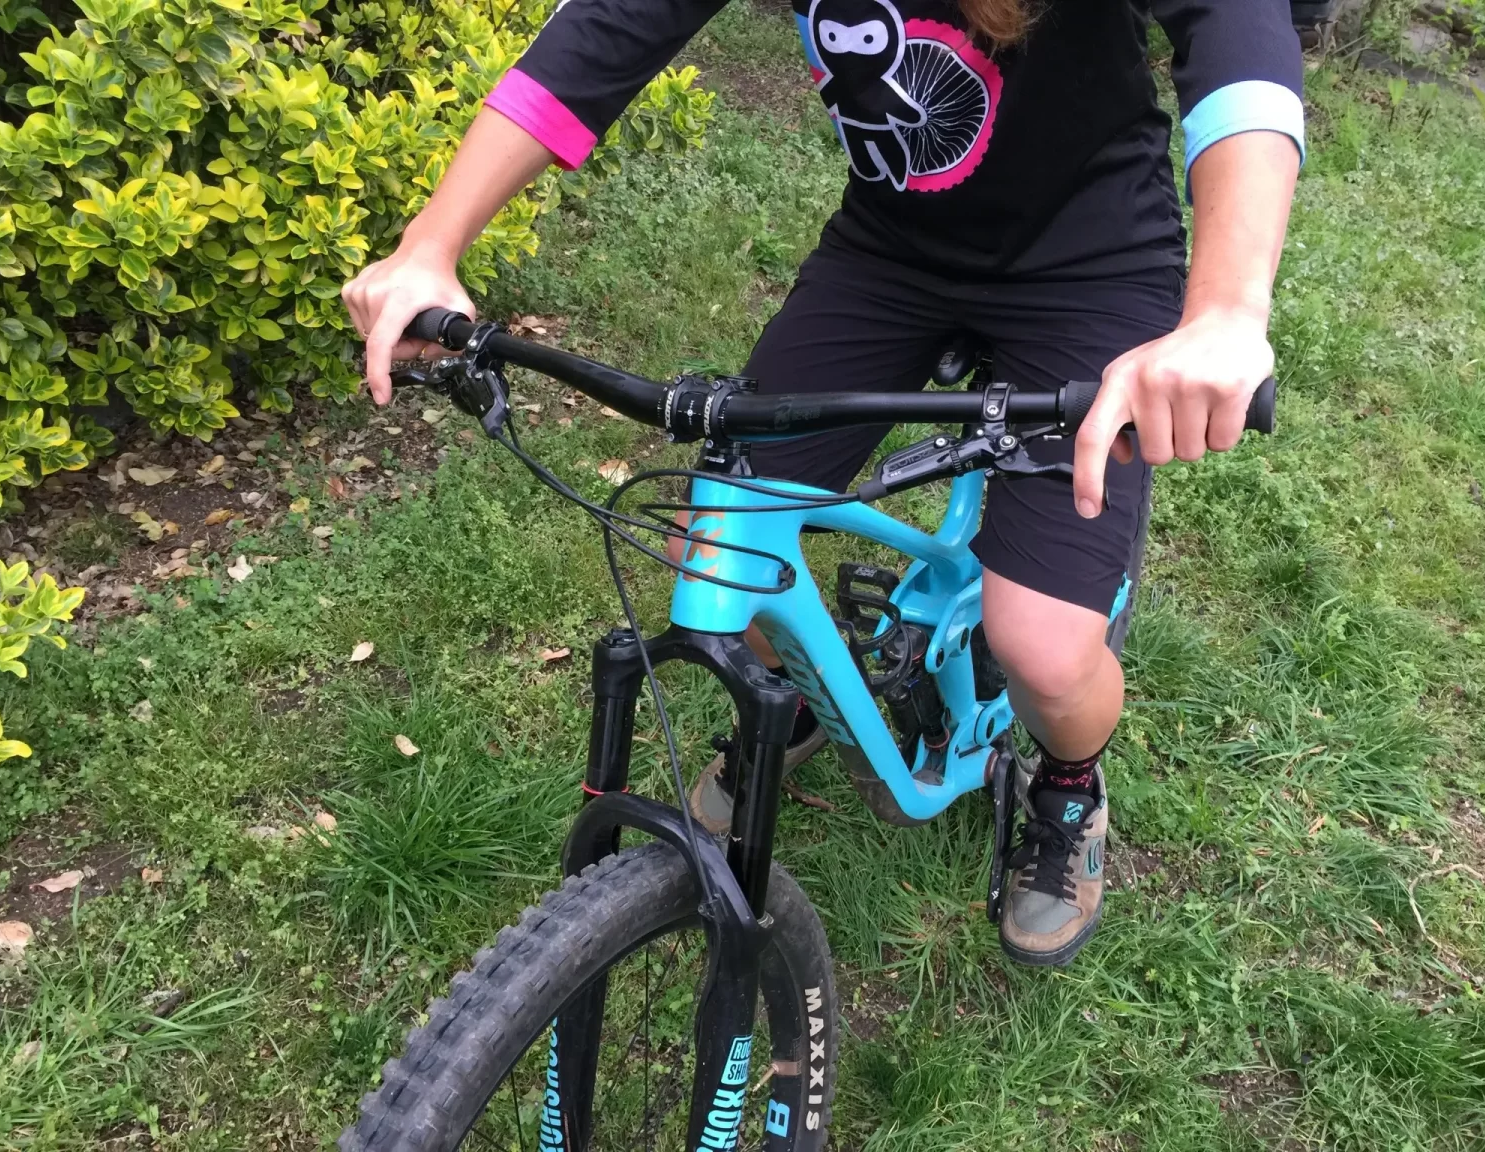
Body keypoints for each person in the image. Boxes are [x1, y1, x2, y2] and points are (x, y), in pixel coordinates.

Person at [342, 0, 1303, 967]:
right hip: (891, 257)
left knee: (1045, 653)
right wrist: (431, 244)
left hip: (1093, 271)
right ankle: (809, 690)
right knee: (718, 550)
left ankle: (1068, 784)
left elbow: (1235, 31)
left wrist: (1225, 309)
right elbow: (605, 30)